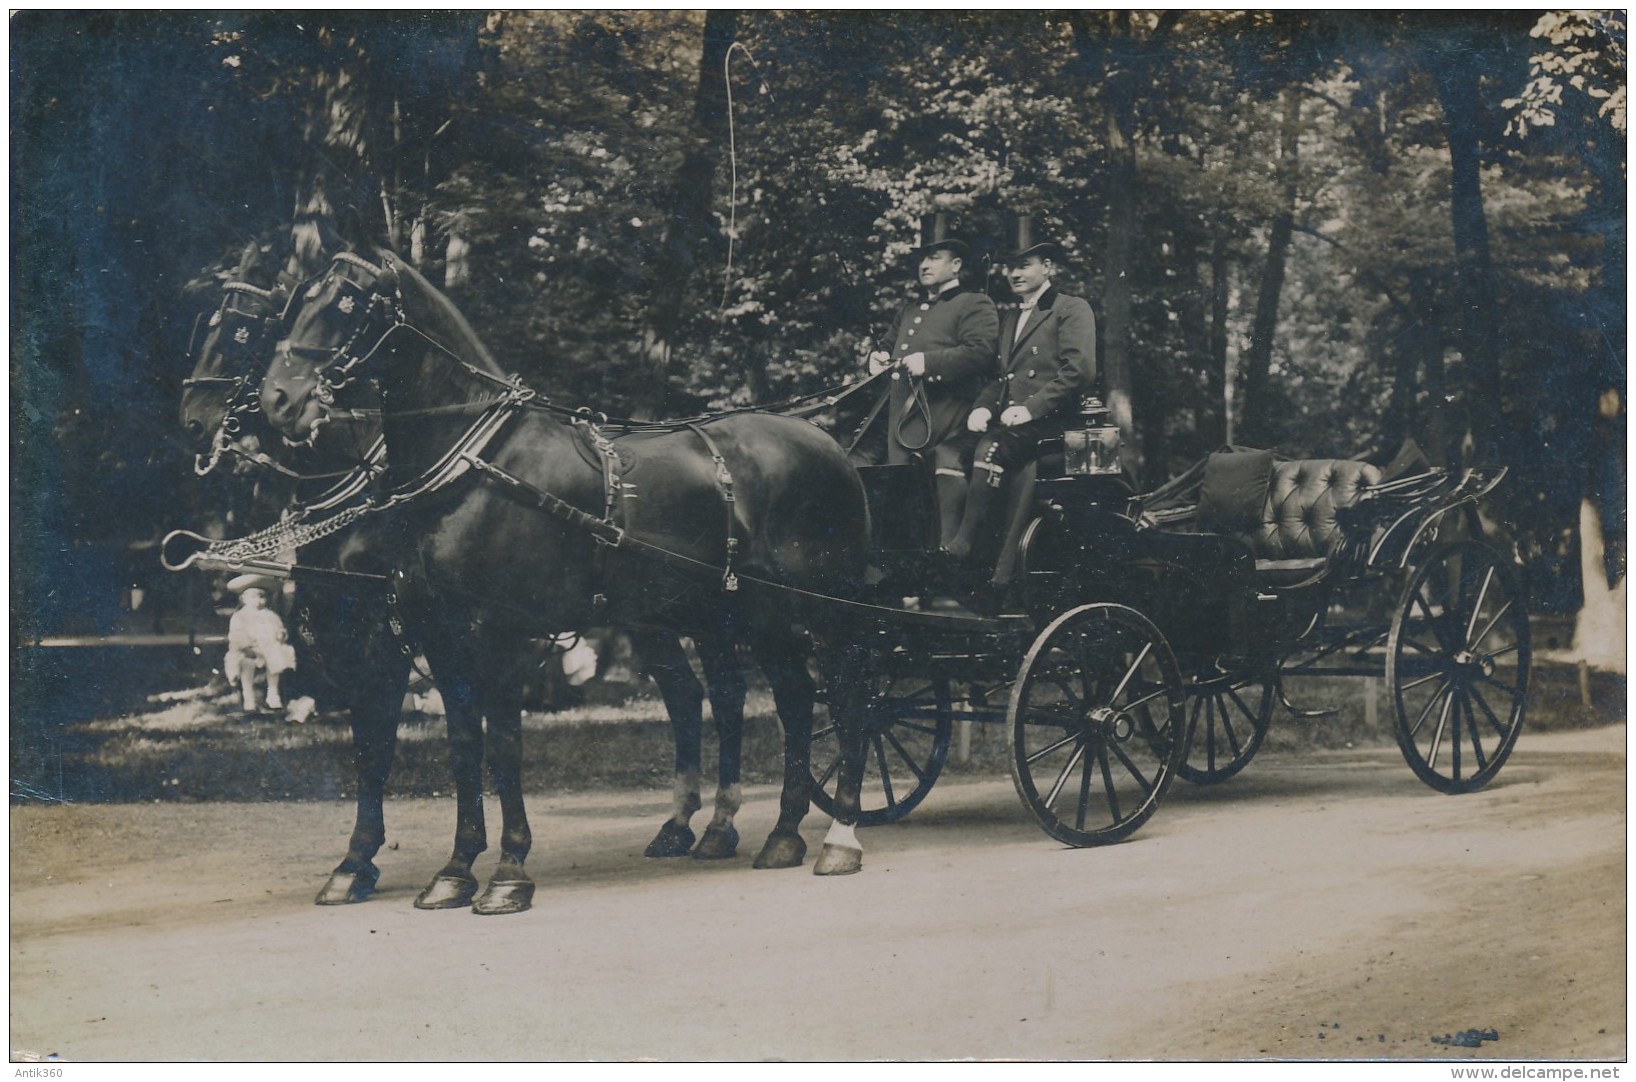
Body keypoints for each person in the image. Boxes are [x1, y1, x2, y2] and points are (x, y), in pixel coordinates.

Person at [943, 214, 1098, 611]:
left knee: (991, 450)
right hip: (1015, 423)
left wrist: (1030, 409)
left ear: (1047, 267)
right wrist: (980, 407)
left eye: (1023, 264)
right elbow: (1000, 376)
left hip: (1057, 423)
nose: (1014, 273)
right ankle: (968, 563)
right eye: (1009, 266)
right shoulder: (1010, 316)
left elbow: (1078, 371)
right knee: (948, 453)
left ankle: (967, 547)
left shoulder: (1070, 308)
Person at [848, 211, 1000, 545]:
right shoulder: (910, 310)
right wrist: (873, 358)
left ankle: (926, 554)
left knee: (902, 478)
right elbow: (885, 347)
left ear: (956, 264)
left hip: (945, 410)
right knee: (852, 464)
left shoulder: (974, 303)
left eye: (934, 257)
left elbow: (981, 352)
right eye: (922, 259)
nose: (925, 265)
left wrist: (927, 363)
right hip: (896, 411)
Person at [223, 573, 297, 714]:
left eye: (261, 596)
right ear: (243, 598)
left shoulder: (270, 615)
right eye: (253, 597)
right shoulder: (240, 616)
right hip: (248, 650)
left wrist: (280, 635)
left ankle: (273, 695)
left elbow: (279, 629)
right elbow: (236, 636)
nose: (258, 601)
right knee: (247, 664)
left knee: (276, 658)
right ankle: (249, 699)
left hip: (268, 648)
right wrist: (247, 647)